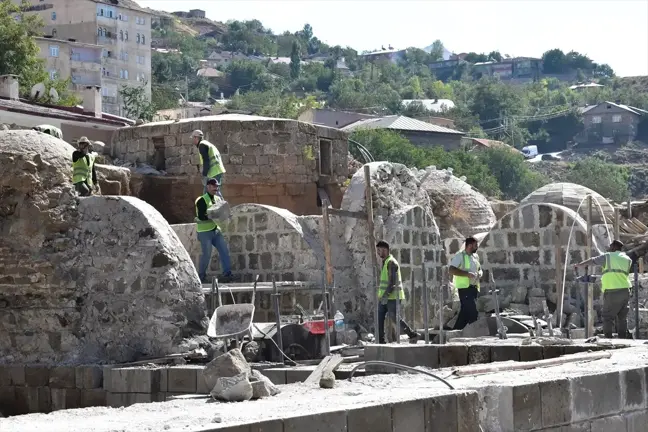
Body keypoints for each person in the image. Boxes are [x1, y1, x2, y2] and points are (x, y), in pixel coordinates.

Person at [574, 240, 633, 338]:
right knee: (622, 317)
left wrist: (580, 265)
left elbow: (593, 260)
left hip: (612, 290)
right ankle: (623, 339)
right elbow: (618, 273)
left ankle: (608, 339)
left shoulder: (608, 256)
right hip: (625, 290)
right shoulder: (628, 259)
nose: (609, 248)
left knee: (607, 317)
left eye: (610, 246)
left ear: (614, 247)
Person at [376, 240, 421, 344]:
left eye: (379, 250)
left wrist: (386, 295)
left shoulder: (391, 262)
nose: (378, 253)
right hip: (385, 296)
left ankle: (412, 334)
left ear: (385, 250)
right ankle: (381, 340)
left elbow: (392, 282)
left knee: (395, 318)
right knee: (380, 317)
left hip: (392, 297)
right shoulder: (385, 262)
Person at [195, 178, 235, 284]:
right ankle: (201, 276)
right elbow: (201, 217)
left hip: (215, 230)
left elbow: (223, 212)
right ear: (208, 187)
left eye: (217, 186)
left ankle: (227, 274)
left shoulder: (218, 199)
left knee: (224, 251)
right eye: (214, 186)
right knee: (206, 254)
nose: (216, 188)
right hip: (204, 232)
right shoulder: (201, 200)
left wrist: (227, 215)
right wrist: (213, 215)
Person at [449, 237, 482, 330]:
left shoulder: (475, 257)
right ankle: (475, 332)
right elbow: (451, 270)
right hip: (464, 288)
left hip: (474, 288)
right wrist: (467, 274)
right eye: (476, 245)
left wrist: (480, 273)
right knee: (473, 311)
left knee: (465, 312)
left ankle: (455, 332)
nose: (477, 247)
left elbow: (479, 269)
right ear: (470, 245)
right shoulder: (459, 256)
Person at [193, 130, 225, 198]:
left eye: (193, 138)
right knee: (207, 193)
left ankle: (223, 207)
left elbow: (206, 160)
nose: (193, 140)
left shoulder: (202, 145)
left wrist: (204, 175)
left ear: (196, 138)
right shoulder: (207, 144)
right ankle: (207, 207)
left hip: (214, 172)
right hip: (216, 171)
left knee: (215, 191)